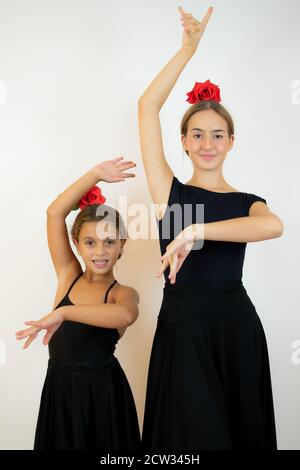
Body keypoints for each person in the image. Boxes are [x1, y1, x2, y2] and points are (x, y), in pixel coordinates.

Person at [138, 5, 283, 450]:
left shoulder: (248, 204)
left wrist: (196, 232)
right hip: (183, 332)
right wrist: (188, 48)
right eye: (196, 134)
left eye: (217, 134)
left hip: (236, 327)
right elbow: (146, 107)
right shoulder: (171, 193)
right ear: (183, 141)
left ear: (231, 142)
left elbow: (273, 227)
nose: (207, 143)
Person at [15, 157, 141, 450]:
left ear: (122, 243)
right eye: (90, 242)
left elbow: (125, 315)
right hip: (60, 394)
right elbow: (54, 213)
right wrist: (95, 174)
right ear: (76, 243)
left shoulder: (121, 293)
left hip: (104, 397)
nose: (100, 251)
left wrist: (63, 312)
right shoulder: (68, 275)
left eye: (110, 242)